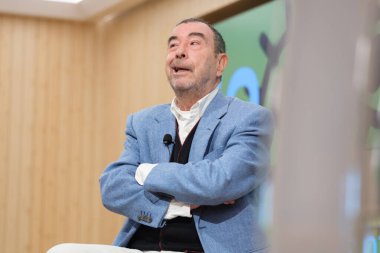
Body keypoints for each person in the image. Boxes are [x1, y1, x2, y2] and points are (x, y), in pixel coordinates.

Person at [47, 18, 273, 253]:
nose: (180, 53)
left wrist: (146, 172)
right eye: (173, 45)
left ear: (220, 63)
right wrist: (181, 205)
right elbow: (112, 186)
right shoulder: (143, 122)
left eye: (194, 43)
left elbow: (219, 181)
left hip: (209, 248)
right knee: (61, 250)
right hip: (141, 247)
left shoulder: (250, 118)